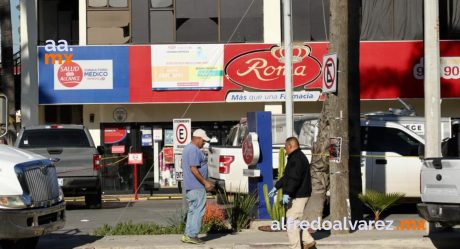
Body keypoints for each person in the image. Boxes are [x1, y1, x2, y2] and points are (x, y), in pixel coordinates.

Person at [268, 137, 315, 249]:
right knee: (296, 221)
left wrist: (287, 193)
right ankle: (309, 242)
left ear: (290, 146)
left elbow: (294, 178)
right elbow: (287, 177)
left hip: (298, 195)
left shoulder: (296, 159)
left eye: (285, 147)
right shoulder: (296, 157)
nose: (285, 150)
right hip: (300, 194)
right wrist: (276, 187)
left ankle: (296, 247)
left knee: (291, 222)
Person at [181, 128, 214, 244]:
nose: (204, 143)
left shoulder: (187, 148)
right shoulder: (193, 150)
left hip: (191, 186)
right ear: (198, 139)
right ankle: (192, 235)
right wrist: (205, 182)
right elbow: (193, 169)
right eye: (203, 141)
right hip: (196, 186)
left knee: (192, 210)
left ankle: (187, 234)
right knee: (198, 211)